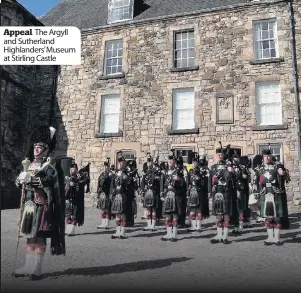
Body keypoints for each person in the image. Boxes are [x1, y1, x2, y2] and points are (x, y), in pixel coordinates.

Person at [14, 126, 65, 280]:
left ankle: (37, 268)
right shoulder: (29, 164)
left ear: (46, 148)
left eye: (40, 146)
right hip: (29, 205)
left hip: (42, 204)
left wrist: (34, 180)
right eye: (35, 146)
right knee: (30, 235)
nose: (36, 148)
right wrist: (19, 180)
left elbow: (50, 181)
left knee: (40, 235)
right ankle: (28, 265)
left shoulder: (50, 165)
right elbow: (23, 182)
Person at [254, 148, 290, 245]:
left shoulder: (277, 167)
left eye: (269, 156)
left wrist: (282, 172)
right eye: (265, 156)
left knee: (277, 217)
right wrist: (256, 194)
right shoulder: (259, 169)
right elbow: (256, 182)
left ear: (271, 157)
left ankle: (277, 238)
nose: (267, 158)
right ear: (263, 157)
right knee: (268, 218)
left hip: (277, 192)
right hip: (265, 193)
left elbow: (287, 177)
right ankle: (270, 237)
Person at [208, 143, 235, 244]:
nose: (220, 156)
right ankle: (219, 235)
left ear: (224, 155)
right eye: (218, 154)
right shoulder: (213, 168)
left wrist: (231, 172)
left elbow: (233, 180)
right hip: (216, 192)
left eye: (221, 154)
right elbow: (209, 181)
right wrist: (210, 193)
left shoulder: (229, 166)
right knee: (218, 215)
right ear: (215, 156)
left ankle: (225, 236)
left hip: (226, 192)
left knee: (226, 214)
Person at [160, 150, 185, 242]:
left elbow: (183, 183)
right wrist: (161, 193)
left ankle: (174, 234)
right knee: (167, 215)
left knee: (174, 215)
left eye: (172, 161)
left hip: (176, 194)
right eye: (169, 161)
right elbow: (162, 184)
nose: (170, 162)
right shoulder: (165, 172)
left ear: (175, 162)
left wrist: (178, 180)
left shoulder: (179, 171)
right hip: (167, 194)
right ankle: (168, 233)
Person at [65, 160, 90, 236]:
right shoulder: (67, 178)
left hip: (76, 199)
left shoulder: (80, 178)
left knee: (74, 216)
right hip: (68, 200)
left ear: (76, 169)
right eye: (72, 169)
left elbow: (86, 180)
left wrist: (77, 182)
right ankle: (68, 229)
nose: (73, 170)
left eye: (75, 169)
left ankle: (71, 231)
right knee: (68, 215)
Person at [187, 153, 210, 232]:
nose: (194, 163)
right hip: (192, 191)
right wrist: (188, 192)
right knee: (192, 210)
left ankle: (199, 226)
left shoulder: (203, 170)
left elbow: (205, 182)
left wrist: (199, 178)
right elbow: (188, 182)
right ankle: (193, 226)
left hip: (200, 191)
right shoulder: (190, 171)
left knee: (199, 209)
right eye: (193, 162)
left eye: (196, 162)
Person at [110, 152, 129, 239]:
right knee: (117, 213)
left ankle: (123, 232)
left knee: (123, 213)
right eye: (119, 162)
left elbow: (129, 186)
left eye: (122, 162)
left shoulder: (127, 173)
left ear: (125, 163)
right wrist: (111, 194)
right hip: (116, 195)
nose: (120, 164)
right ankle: (117, 231)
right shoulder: (115, 174)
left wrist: (126, 178)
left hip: (123, 195)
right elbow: (112, 185)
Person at [231, 153, 250, 235]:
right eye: (235, 158)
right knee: (234, 208)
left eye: (237, 158)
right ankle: (235, 226)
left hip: (240, 189)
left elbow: (246, 177)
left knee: (241, 208)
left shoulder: (243, 167)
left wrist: (243, 175)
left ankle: (241, 225)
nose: (236, 159)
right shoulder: (229, 167)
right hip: (232, 189)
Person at [141, 154, 161, 231]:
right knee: (148, 209)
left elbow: (159, 182)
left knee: (154, 209)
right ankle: (149, 225)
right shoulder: (146, 172)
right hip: (147, 192)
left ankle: (153, 225)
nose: (149, 163)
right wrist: (143, 189)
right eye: (148, 162)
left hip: (154, 192)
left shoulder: (156, 171)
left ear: (152, 162)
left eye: (150, 162)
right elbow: (143, 182)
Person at [96, 159, 113, 229]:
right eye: (105, 166)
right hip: (102, 193)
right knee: (103, 208)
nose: (106, 168)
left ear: (109, 167)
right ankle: (103, 223)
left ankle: (107, 224)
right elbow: (99, 184)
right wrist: (98, 192)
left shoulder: (111, 175)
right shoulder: (102, 174)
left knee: (107, 209)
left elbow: (112, 185)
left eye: (107, 166)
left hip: (108, 193)